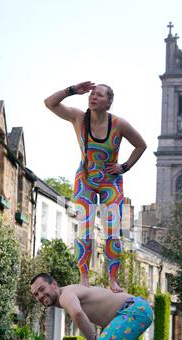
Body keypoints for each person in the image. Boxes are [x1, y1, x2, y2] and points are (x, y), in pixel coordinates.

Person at [44, 82, 147, 293]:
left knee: (112, 231)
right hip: (86, 179)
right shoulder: (79, 118)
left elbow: (141, 145)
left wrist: (124, 167)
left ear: (108, 102)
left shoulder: (118, 124)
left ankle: (113, 280)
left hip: (111, 181)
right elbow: (49, 103)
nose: (93, 97)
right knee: (85, 229)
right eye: (92, 93)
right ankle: (83, 277)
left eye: (99, 95)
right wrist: (72, 90)